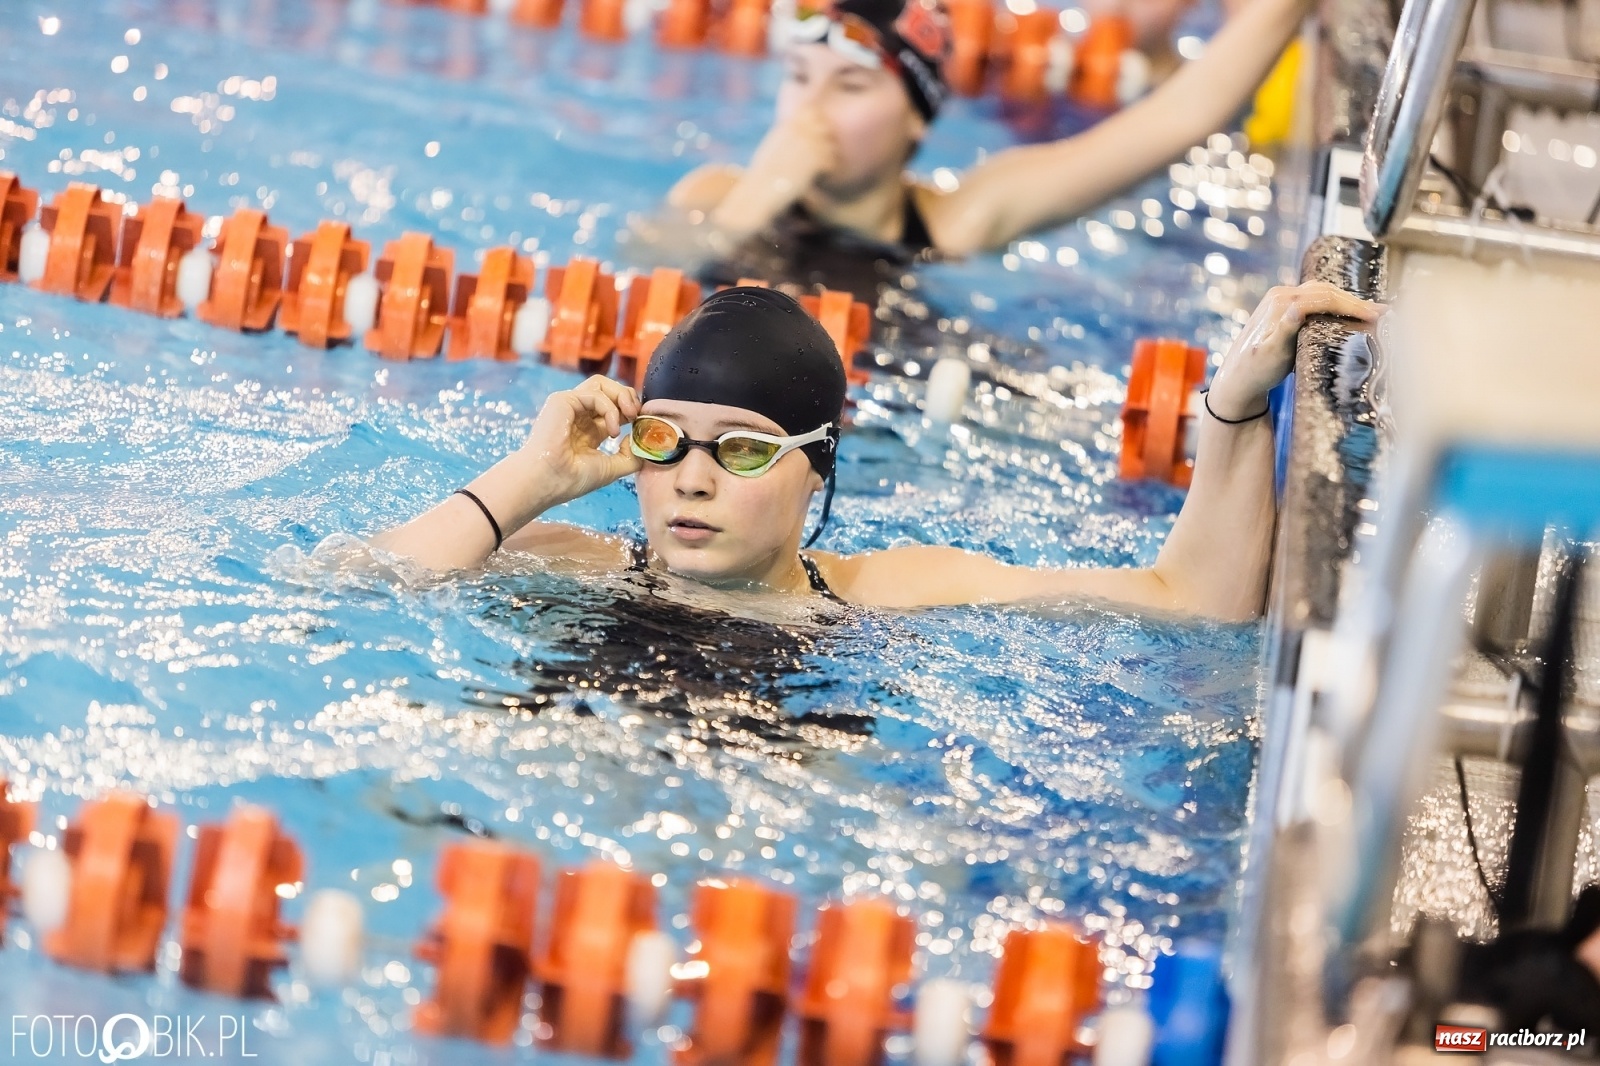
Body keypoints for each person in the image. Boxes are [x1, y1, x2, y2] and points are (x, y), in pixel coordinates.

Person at [370, 282, 1381, 622]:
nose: (691, 476)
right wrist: (530, 479)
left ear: (817, 468)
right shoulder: (572, 563)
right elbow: (352, 581)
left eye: (744, 452)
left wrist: (1233, 409)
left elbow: (1190, 600)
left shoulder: (886, 592)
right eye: (665, 440)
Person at [644, 0, 1309, 299]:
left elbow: (1179, 119)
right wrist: (758, 195)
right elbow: (642, 270)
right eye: (797, 78)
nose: (810, 108)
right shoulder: (714, 195)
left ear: (917, 120)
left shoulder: (957, 219)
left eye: (850, 84)